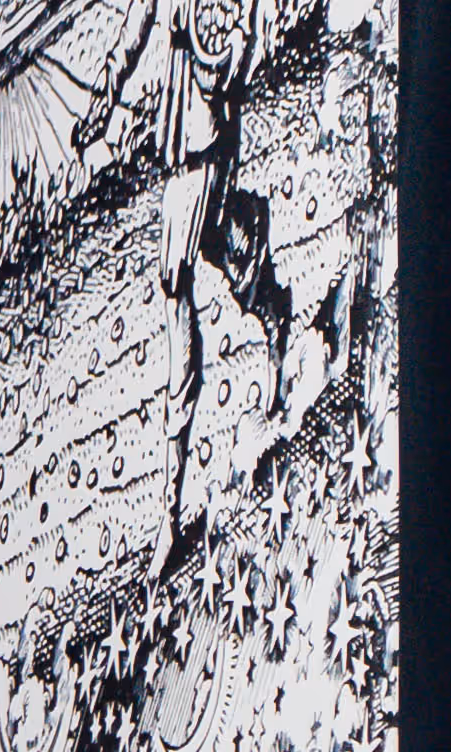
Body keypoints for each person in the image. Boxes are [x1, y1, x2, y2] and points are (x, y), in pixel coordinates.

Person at [74, 0, 295, 565]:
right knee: (219, 252)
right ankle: (270, 302)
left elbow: (240, 39)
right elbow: (135, 26)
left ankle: (169, 514)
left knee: (176, 283)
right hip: (179, 140)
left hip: (208, 138)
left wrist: (225, 62)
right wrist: (103, 95)